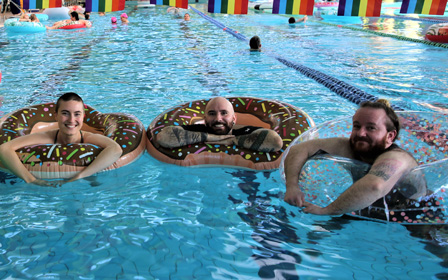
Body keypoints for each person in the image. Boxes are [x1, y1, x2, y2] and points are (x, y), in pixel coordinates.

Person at [283, 99, 427, 216]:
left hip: (417, 216)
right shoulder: (352, 146)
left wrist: (326, 210)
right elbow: (299, 149)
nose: (360, 133)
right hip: (367, 207)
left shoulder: (397, 158)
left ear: (390, 136)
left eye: (371, 128)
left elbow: (374, 186)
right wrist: (292, 186)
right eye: (357, 126)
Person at [0, 92, 122, 187]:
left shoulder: (89, 138)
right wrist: (31, 180)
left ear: (83, 117)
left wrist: (81, 175)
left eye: (77, 114)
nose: (71, 120)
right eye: (65, 113)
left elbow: (115, 149)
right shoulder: (46, 136)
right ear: (56, 116)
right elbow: (4, 149)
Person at [155, 97, 283, 152]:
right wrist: (213, 138)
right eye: (212, 113)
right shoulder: (196, 130)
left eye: (224, 113)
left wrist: (232, 140)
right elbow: (162, 138)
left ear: (234, 118)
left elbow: (276, 142)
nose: (218, 119)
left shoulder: (246, 131)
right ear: (205, 119)